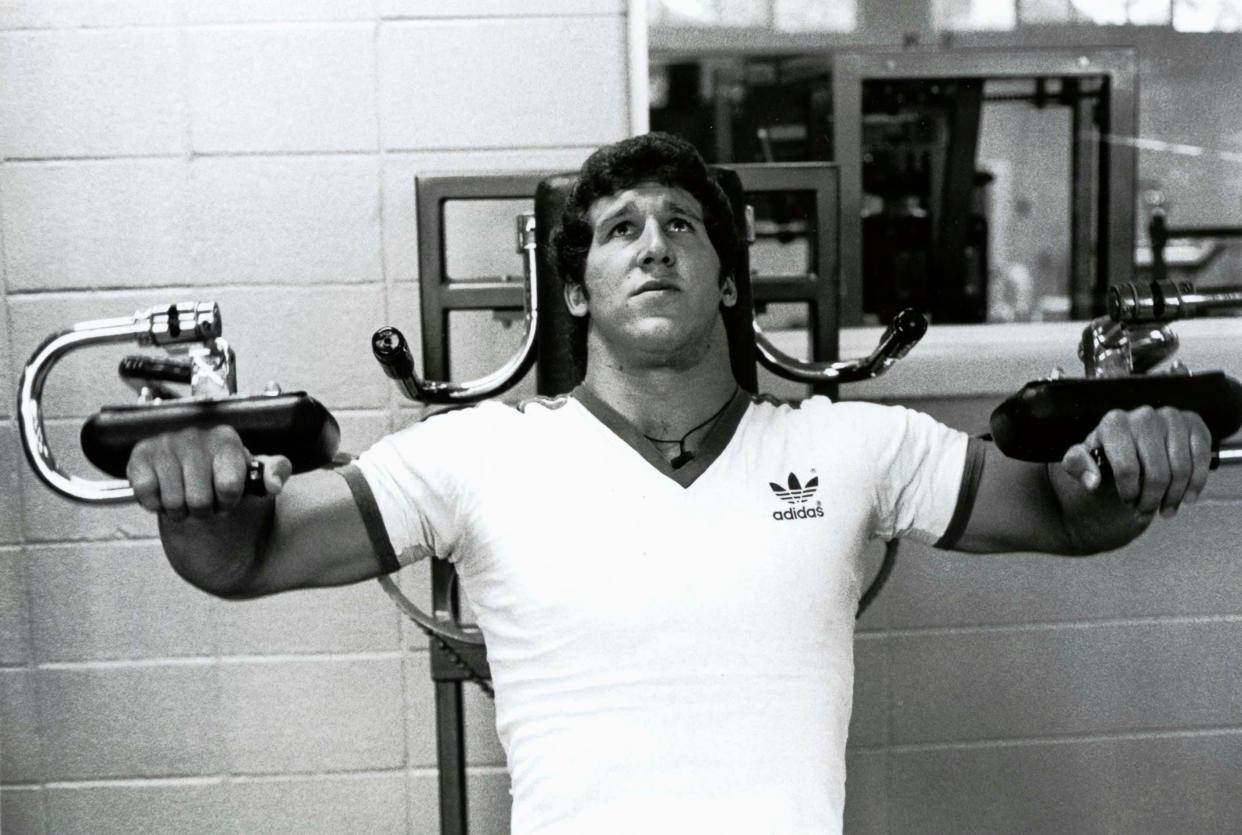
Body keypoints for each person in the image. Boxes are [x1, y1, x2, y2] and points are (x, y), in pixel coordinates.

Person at [128, 133, 1213, 833]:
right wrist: (196, 502)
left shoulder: (856, 448)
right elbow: (252, 554)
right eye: (619, 231)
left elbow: (1068, 512)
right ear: (576, 294)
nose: (654, 246)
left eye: (682, 226)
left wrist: (1140, 460)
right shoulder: (475, 456)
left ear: (729, 281)